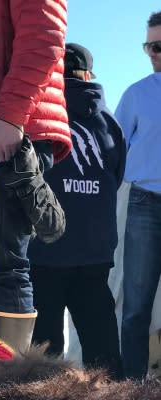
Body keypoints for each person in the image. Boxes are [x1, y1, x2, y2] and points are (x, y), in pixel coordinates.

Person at [0, 0, 71, 352]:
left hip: (7, 134)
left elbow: (45, 36)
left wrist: (11, 117)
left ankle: (6, 385)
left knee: (3, 266)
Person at [27, 43, 126, 378]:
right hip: (95, 256)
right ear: (87, 75)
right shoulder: (110, 124)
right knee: (105, 359)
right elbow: (116, 177)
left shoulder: (39, 114)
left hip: (45, 253)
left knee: (45, 360)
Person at [115, 10, 161, 380]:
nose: (153, 53)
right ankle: (132, 398)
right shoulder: (135, 95)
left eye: (159, 46)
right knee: (135, 308)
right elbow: (112, 153)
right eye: (149, 46)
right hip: (143, 204)